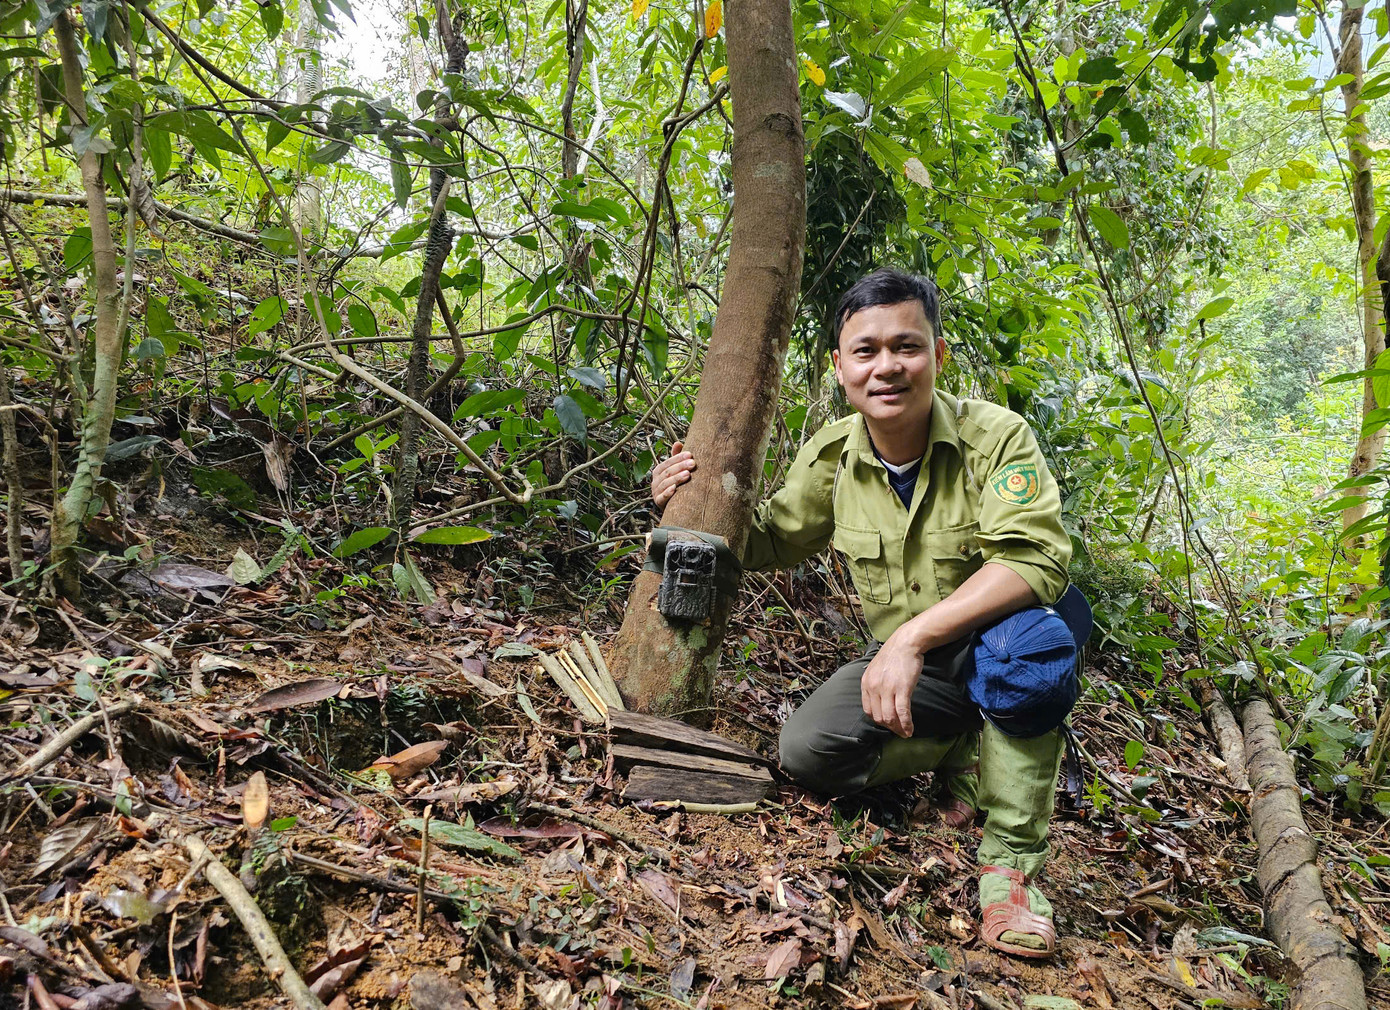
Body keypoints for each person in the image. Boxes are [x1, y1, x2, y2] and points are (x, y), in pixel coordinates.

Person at [649, 267, 1074, 958]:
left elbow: (1035, 560)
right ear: (840, 367)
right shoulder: (833, 456)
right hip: (927, 673)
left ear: (937, 355)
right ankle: (966, 747)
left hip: (994, 639)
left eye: (905, 347)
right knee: (807, 753)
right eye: (866, 351)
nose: (887, 367)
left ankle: (1011, 873)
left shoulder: (995, 437)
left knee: (1027, 653)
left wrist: (909, 639)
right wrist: (685, 503)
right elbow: (773, 539)